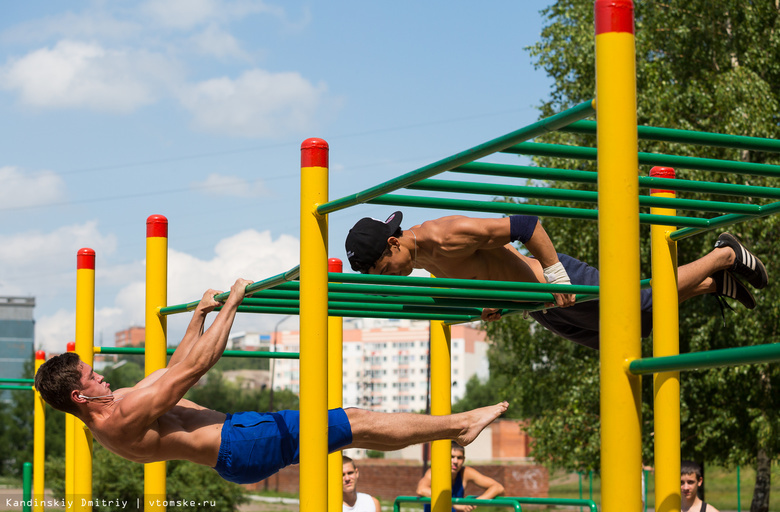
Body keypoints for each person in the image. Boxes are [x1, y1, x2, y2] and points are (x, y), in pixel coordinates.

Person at [34, 278, 509, 485]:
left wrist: (199, 317)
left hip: (239, 443)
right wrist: (233, 304)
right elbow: (197, 370)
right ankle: (460, 425)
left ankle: (455, 428)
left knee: (354, 429)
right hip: (242, 444)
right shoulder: (120, 418)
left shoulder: (111, 412)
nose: (101, 375)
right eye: (92, 375)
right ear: (80, 394)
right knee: (355, 419)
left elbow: (172, 369)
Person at [345, 211, 769, 350]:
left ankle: (723, 253)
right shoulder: (421, 259)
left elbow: (527, 226)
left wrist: (555, 276)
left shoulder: (444, 235)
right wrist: (487, 304)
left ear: (392, 243)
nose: (392, 276)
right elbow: (488, 269)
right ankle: (714, 284)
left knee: (637, 302)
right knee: (631, 330)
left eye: (386, 268)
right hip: (539, 307)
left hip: (553, 285)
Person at [416, 442, 505, 512]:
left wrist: (473, 503)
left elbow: (498, 487)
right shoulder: (434, 472)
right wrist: (454, 503)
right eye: (451, 457)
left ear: (464, 459)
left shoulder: (465, 472)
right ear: (443, 457)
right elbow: (421, 489)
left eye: (459, 458)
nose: (455, 461)